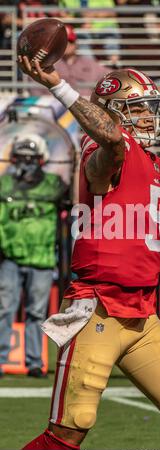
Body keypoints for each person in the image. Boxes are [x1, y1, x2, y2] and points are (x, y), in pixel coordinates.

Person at [18, 52, 160, 450]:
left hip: (143, 317)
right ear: (113, 113)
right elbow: (111, 141)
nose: (149, 117)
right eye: (138, 108)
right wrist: (57, 83)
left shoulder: (157, 169)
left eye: (150, 108)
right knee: (69, 432)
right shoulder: (101, 152)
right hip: (99, 308)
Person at [0, 134, 67, 379]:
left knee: (36, 313)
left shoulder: (53, 183)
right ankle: (1, 359)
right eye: (22, 157)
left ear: (41, 160)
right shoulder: (4, 184)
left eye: (31, 158)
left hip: (41, 256)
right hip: (10, 256)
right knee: (5, 309)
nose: (26, 162)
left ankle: (35, 361)